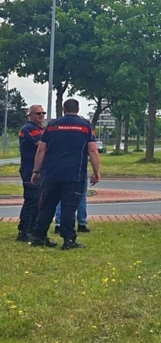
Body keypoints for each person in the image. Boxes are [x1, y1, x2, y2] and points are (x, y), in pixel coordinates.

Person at [28, 99, 101, 250]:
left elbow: (41, 149)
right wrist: (96, 172)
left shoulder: (52, 125)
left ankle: (39, 236)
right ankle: (68, 240)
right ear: (78, 109)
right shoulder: (86, 126)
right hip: (75, 174)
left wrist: (35, 171)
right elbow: (93, 150)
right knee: (69, 206)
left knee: (47, 206)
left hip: (52, 174)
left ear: (63, 109)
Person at [15, 105, 46, 242]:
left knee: (37, 200)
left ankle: (32, 229)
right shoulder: (29, 129)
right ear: (30, 114)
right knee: (32, 200)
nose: (41, 115)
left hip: (37, 168)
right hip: (30, 169)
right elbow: (42, 146)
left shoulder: (40, 128)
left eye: (43, 113)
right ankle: (24, 231)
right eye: (38, 113)